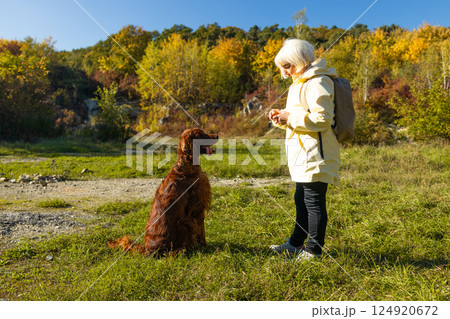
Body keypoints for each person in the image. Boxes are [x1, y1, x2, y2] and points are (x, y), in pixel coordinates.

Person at [268, 38, 340, 261]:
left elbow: (323, 119)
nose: (285, 72)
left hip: (316, 154)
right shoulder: (301, 82)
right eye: (282, 67)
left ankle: (313, 250)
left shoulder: (318, 81)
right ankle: (295, 244)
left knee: (313, 202)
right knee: (301, 199)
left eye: (287, 66)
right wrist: (282, 118)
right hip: (304, 153)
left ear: (301, 61)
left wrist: (291, 116)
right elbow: (301, 119)